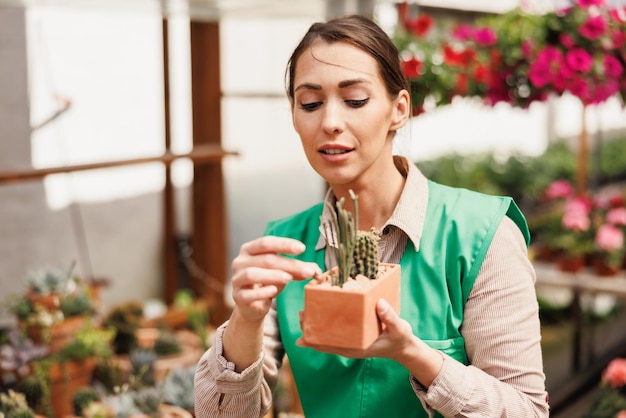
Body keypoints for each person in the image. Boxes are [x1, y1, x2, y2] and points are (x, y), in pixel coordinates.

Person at [194, 14, 550, 418]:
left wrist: (413, 354)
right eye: (310, 103)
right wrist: (245, 319)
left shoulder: (482, 234)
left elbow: (525, 411)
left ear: (399, 110)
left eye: (355, 100)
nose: (329, 123)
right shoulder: (285, 246)